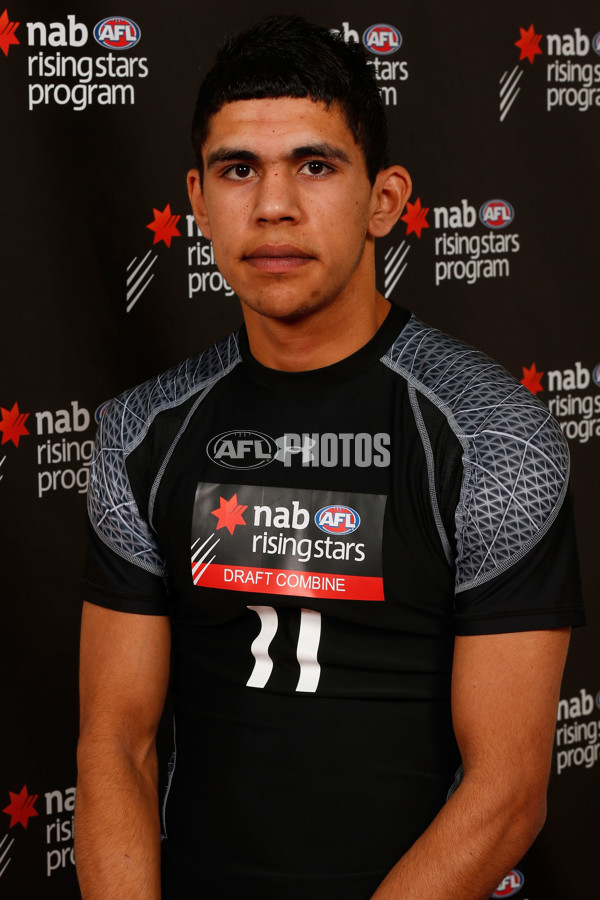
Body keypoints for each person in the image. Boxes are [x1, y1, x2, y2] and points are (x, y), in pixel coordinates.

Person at [74, 16, 584, 900]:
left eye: (315, 165)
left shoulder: (492, 435)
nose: (273, 205)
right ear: (196, 200)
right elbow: (115, 741)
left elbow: (508, 796)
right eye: (239, 170)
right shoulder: (140, 433)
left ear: (385, 199)